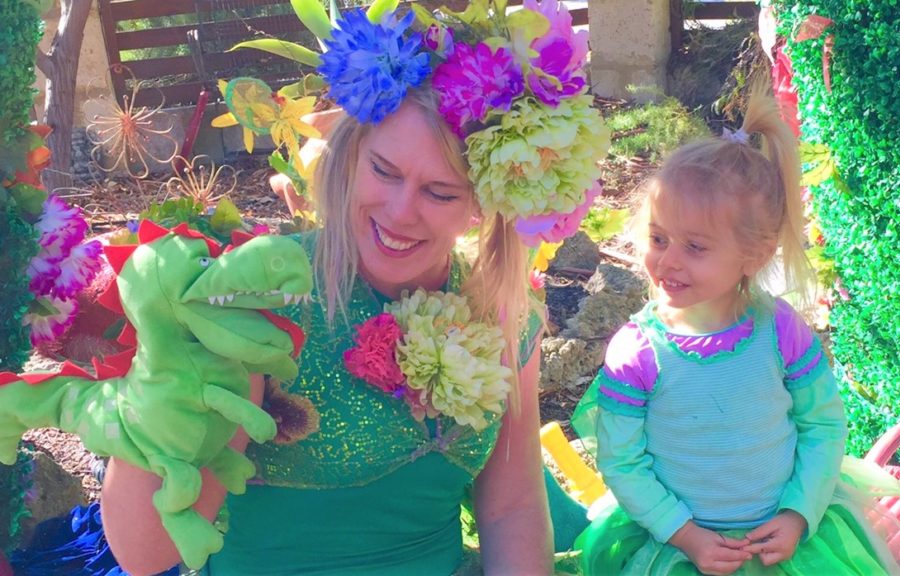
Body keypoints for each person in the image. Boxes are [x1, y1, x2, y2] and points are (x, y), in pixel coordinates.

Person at [100, 1, 608, 574]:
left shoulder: (505, 313)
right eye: (384, 172)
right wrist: (162, 362)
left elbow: (510, 509)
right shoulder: (261, 298)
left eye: (440, 192)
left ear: (483, 201)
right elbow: (148, 552)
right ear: (349, 158)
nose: (399, 212)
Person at [571, 91, 900, 575]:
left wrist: (800, 513)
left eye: (695, 246)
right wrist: (685, 534)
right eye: (658, 238)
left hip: (785, 541)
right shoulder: (638, 351)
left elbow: (822, 426)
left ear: (754, 255)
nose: (668, 260)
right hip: (680, 548)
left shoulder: (780, 331)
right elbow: (622, 461)